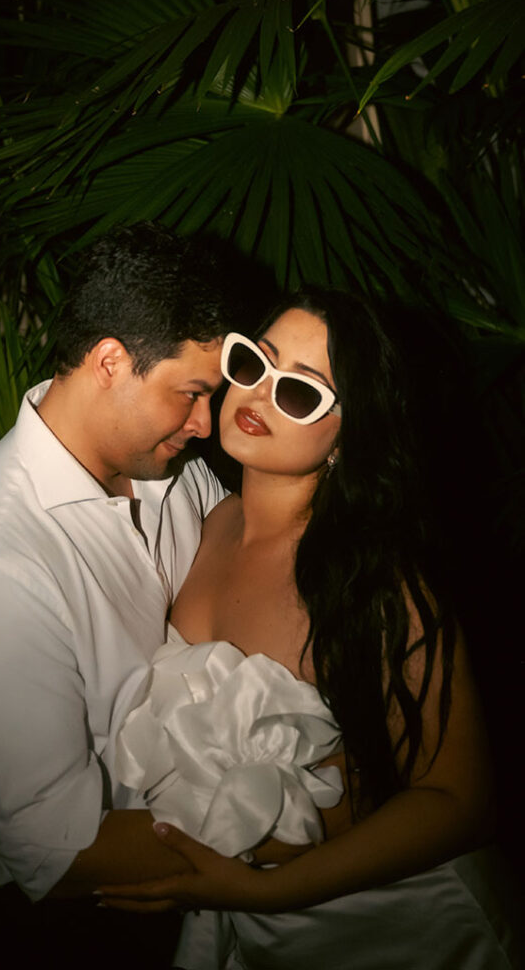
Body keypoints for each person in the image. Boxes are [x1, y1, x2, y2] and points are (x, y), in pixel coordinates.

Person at [100, 287, 521, 968]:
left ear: (346, 438)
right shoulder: (202, 526)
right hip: (251, 928)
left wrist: (272, 891)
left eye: (301, 393)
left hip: (401, 930)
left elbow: (460, 799)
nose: (261, 394)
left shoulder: (377, 579)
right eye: (253, 364)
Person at [0, 222, 252, 960]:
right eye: (191, 394)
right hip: (95, 925)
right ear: (110, 361)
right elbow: (57, 852)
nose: (206, 425)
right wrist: (303, 841)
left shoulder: (167, 464)